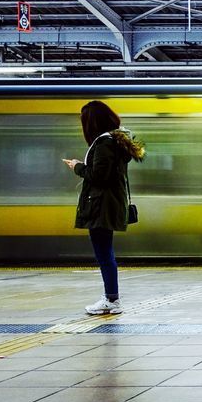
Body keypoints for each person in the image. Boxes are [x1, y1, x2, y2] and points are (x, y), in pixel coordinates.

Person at [63, 100, 145, 315]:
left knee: (104, 253)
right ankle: (111, 297)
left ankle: (111, 299)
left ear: (92, 122)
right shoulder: (112, 142)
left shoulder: (104, 143)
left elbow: (99, 176)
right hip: (106, 204)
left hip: (101, 206)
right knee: (105, 252)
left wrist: (77, 167)